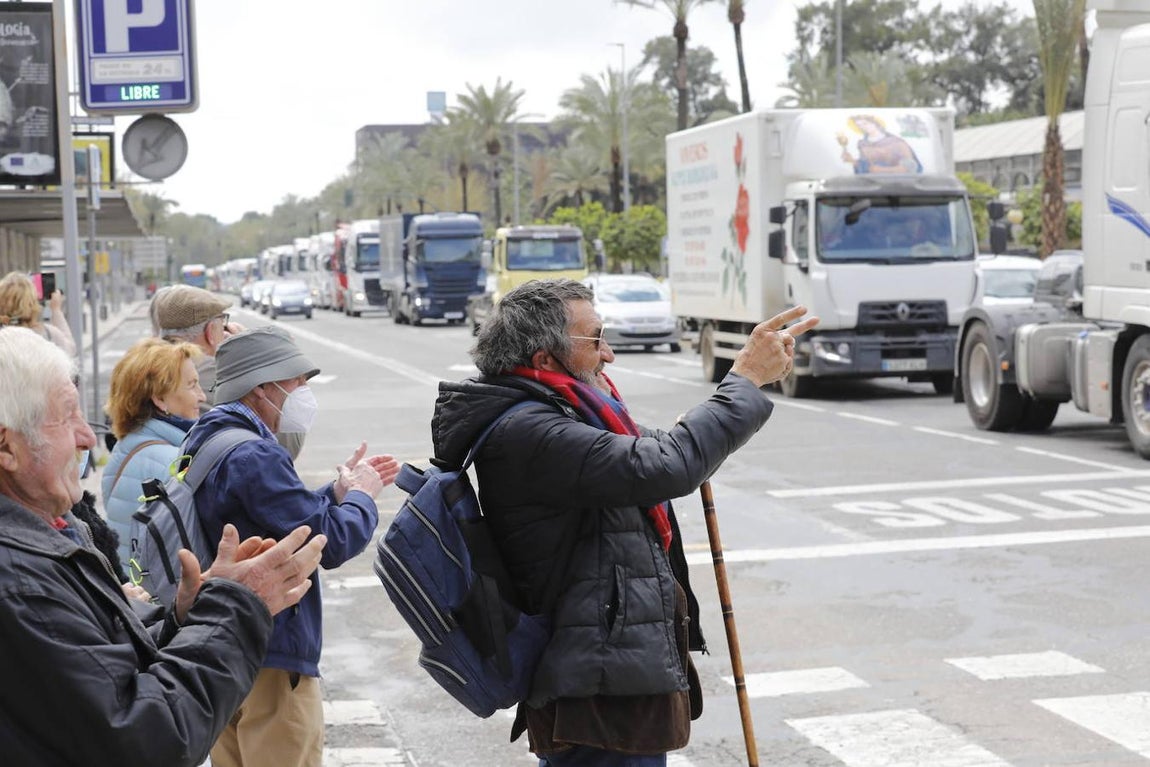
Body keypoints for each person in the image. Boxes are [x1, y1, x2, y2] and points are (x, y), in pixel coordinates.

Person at [433, 279, 818, 765]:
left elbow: (660, 448)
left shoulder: (562, 413)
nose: (608, 354)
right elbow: (664, 466)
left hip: (608, 667)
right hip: (595, 682)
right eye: (595, 339)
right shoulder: (530, 430)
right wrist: (744, 379)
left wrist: (708, 418)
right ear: (545, 358)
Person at [0, 326, 328, 766]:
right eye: (66, 416)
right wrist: (234, 608)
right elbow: (147, 738)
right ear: (7, 447)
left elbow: (107, 660)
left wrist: (189, 611)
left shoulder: (51, 534)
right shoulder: (20, 581)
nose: (87, 437)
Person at [189, 325, 400, 767]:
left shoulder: (210, 437)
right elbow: (329, 541)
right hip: (272, 648)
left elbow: (279, 515)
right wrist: (362, 496)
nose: (304, 390)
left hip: (221, 641)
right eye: (297, 380)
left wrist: (336, 493)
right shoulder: (255, 455)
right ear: (261, 387)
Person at [102, 337, 207, 567]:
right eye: (192, 385)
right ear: (160, 399)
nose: (202, 396)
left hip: (131, 584)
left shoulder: (123, 451)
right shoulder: (177, 463)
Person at [0, 270, 75, 355]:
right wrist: (56, 310)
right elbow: (70, 350)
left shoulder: (3, 338)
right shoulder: (47, 334)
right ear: (33, 303)